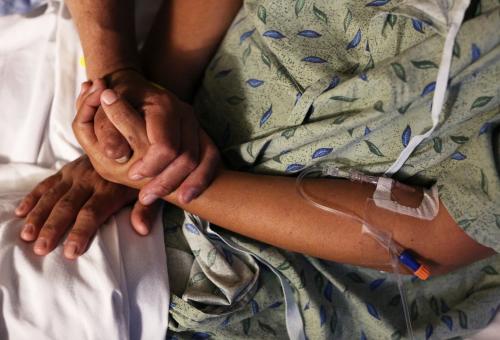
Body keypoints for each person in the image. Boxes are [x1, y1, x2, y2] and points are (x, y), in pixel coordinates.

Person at [17, 0, 500, 338]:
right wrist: (132, 102)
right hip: (175, 98)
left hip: (282, 282)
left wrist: (174, 178)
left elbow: (438, 234)